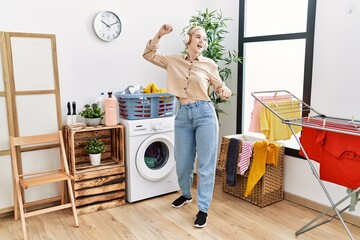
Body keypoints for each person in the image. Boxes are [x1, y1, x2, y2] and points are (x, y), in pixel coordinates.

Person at [143, 24, 232, 228]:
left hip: (205, 115)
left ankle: (203, 209)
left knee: (206, 165)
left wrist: (224, 91)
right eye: (198, 37)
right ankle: (185, 195)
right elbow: (148, 54)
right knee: (182, 162)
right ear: (189, 39)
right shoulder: (173, 60)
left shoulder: (209, 64)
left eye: (205, 39)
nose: (202, 41)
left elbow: (219, 86)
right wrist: (160, 34)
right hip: (182, 115)